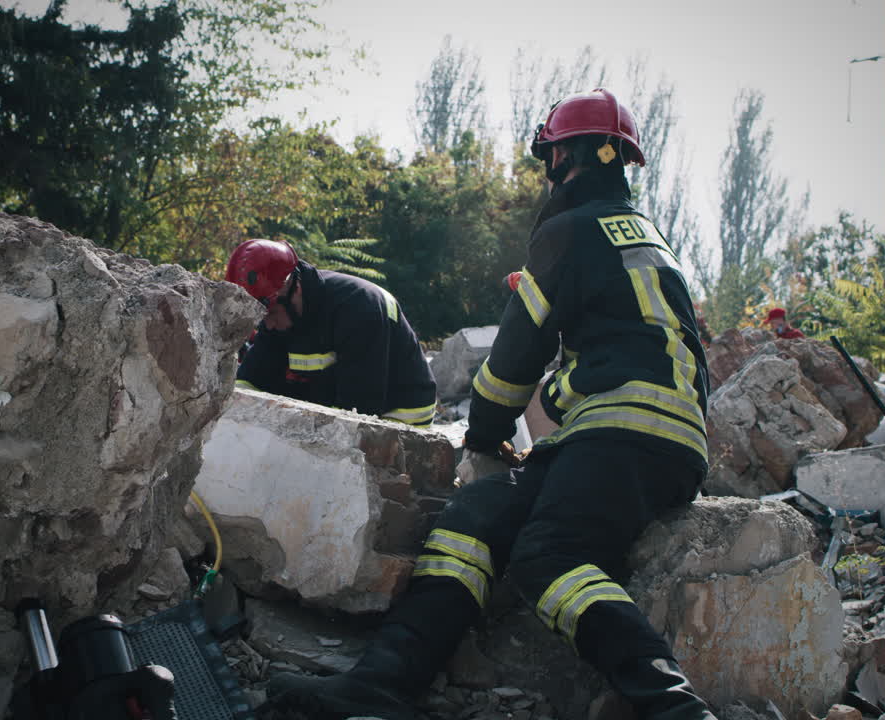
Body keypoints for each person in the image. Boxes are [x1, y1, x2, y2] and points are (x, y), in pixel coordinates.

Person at [265, 88, 717, 720]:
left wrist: (483, 433)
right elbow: (645, 358)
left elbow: (514, 361)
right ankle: (381, 686)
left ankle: (675, 708)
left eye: (551, 157)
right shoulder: (650, 240)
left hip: (622, 433)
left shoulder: (566, 231)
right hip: (651, 438)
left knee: (549, 557)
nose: (548, 171)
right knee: (474, 517)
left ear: (568, 157)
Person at [226, 239, 437, 427]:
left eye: (270, 314)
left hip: (400, 413)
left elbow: (358, 416)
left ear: (295, 289)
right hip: (337, 400)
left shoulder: (358, 307)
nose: (267, 326)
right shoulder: (278, 311)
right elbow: (249, 382)